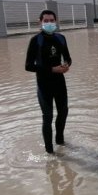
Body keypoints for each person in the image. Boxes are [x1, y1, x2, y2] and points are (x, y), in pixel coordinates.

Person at [25, 10, 72, 154]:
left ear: (56, 21)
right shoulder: (36, 40)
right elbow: (28, 66)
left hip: (59, 83)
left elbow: (68, 58)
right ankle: (50, 152)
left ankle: (60, 141)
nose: (49, 23)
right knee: (48, 117)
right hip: (44, 84)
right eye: (46, 21)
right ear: (40, 22)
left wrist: (66, 65)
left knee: (63, 112)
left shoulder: (61, 38)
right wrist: (52, 69)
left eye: (52, 20)